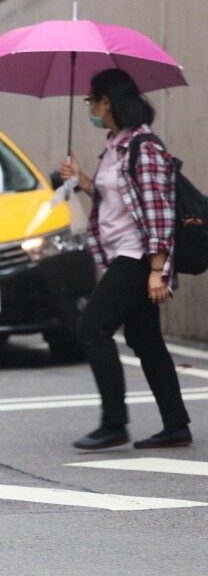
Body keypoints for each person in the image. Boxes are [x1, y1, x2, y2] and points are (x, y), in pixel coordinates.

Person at [60, 68, 192, 450]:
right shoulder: (116, 143)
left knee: (91, 328)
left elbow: (159, 211)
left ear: (108, 102)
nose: (90, 108)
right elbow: (118, 200)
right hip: (124, 253)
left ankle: (114, 423)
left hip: (138, 258)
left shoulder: (144, 147)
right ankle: (176, 425)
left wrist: (157, 270)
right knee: (145, 339)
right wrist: (83, 180)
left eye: (92, 101)